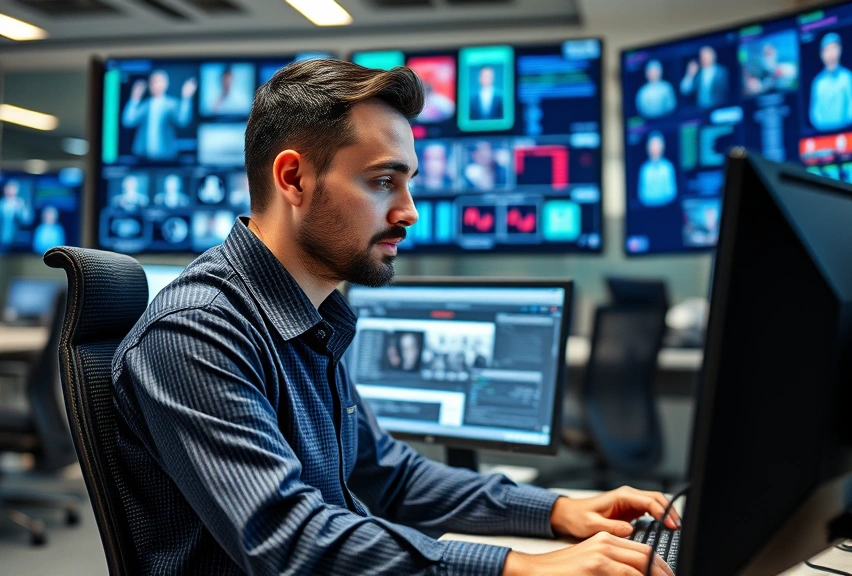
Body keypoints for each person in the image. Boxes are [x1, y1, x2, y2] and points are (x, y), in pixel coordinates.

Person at [110, 59, 677, 576]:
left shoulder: (311, 317)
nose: (408, 212)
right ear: (294, 179)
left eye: (407, 183)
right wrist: (521, 569)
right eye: (383, 181)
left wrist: (557, 509)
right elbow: (289, 540)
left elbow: (391, 474)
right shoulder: (196, 331)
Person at [122, 69, 197, 161]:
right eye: (153, 82)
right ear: (149, 84)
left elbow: (182, 120)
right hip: (142, 157)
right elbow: (128, 121)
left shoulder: (171, 104)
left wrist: (186, 97)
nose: (156, 85)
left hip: (166, 157)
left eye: (159, 81)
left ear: (166, 84)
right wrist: (134, 99)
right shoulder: (145, 105)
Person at [809, 32, 852, 131]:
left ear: (840, 50)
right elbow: (814, 112)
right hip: (824, 139)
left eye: (834, 48)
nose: (831, 54)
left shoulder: (847, 77)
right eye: (827, 50)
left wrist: (844, 128)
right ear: (822, 54)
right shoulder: (817, 83)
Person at [638, 130, 677, 207]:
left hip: (667, 210)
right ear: (648, 147)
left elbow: (671, 193)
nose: (655, 148)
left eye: (657, 145)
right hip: (647, 212)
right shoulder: (644, 169)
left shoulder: (668, 167)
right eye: (653, 145)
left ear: (662, 146)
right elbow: (642, 195)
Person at [0, 180, 32, 246]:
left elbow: (27, 221)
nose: (10, 190)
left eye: (12, 188)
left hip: (16, 239)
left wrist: (20, 209)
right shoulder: (1, 203)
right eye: (8, 188)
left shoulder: (20, 203)